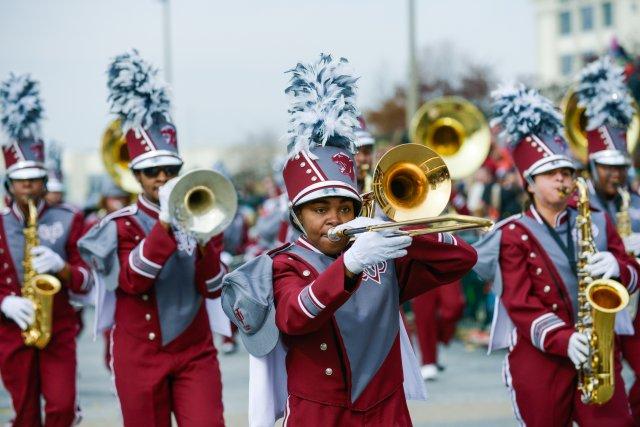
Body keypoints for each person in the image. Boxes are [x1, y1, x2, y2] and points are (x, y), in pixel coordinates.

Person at [222, 53, 477, 426]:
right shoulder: (284, 263)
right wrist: (350, 265)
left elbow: (462, 259)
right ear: (297, 216)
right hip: (319, 414)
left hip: (386, 409)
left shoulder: (381, 252)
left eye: (345, 208)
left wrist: (394, 226)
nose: (334, 220)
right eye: (319, 209)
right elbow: (295, 316)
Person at [474, 83, 639, 426]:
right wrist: (563, 339)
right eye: (551, 174)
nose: (562, 180)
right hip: (541, 361)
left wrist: (618, 268)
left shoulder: (596, 219)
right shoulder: (512, 232)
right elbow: (520, 303)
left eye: (567, 172)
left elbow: (632, 271)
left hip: (597, 351)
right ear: (530, 183)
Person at [78, 50, 226, 427]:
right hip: (139, 355)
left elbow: (212, 288)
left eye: (169, 170)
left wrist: (204, 237)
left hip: (195, 350)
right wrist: (163, 226)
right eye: (151, 172)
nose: (161, 179)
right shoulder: (118, 225)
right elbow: (133, 280)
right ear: (137, 177)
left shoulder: (204, 214)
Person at [0, 73, 91, 426]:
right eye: (21, 181)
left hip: (59, 325)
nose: (29, 188)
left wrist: (62, 267)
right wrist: (4, 300)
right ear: (9, 183)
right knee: (23, 411)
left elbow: (86, 278)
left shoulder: (70, 217)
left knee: (61, 407)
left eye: (35, 180)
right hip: (12, 327)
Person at [576, 56, 640, 422]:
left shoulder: (635, 202)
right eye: (608, 168)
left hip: (635, 303)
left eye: (621, 167)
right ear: (593, 166)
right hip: (598, 309)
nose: (616, 175)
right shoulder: (579, 206)